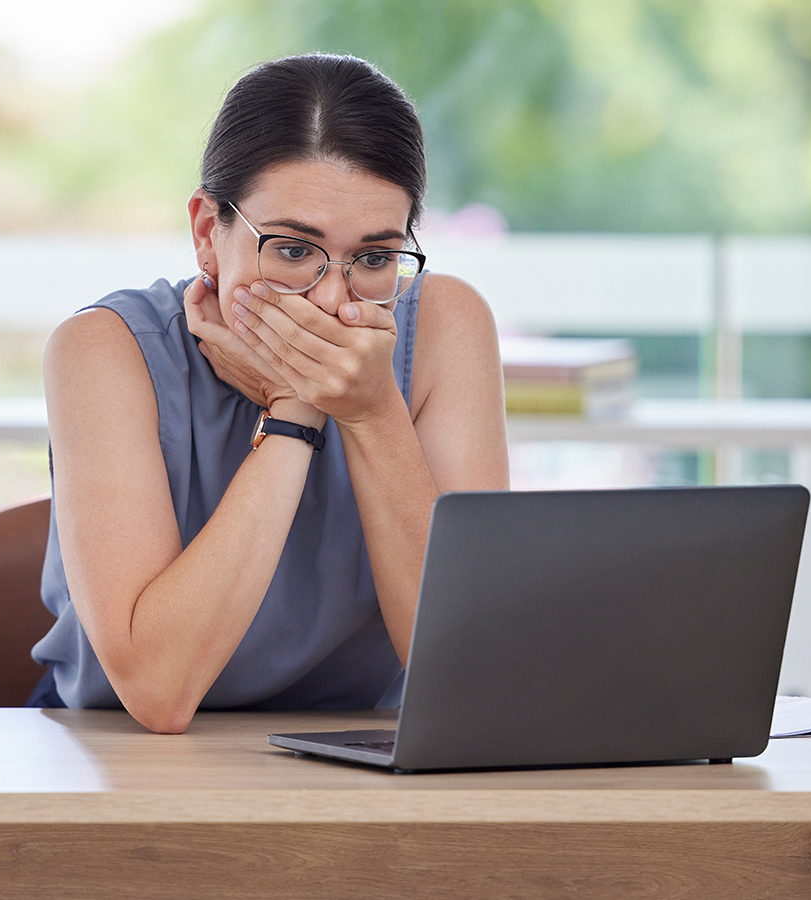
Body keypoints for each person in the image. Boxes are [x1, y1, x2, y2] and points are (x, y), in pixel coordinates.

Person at [30, 53, 509, 733]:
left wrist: (370, 412)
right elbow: (160, 691)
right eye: (291, 250)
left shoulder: (442, 327)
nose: (330, 299)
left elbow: (475, 677)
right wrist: (295, 413)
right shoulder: (104, 350)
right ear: (206, 233)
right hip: (118, 759)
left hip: (365, 760)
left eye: (374, 258)